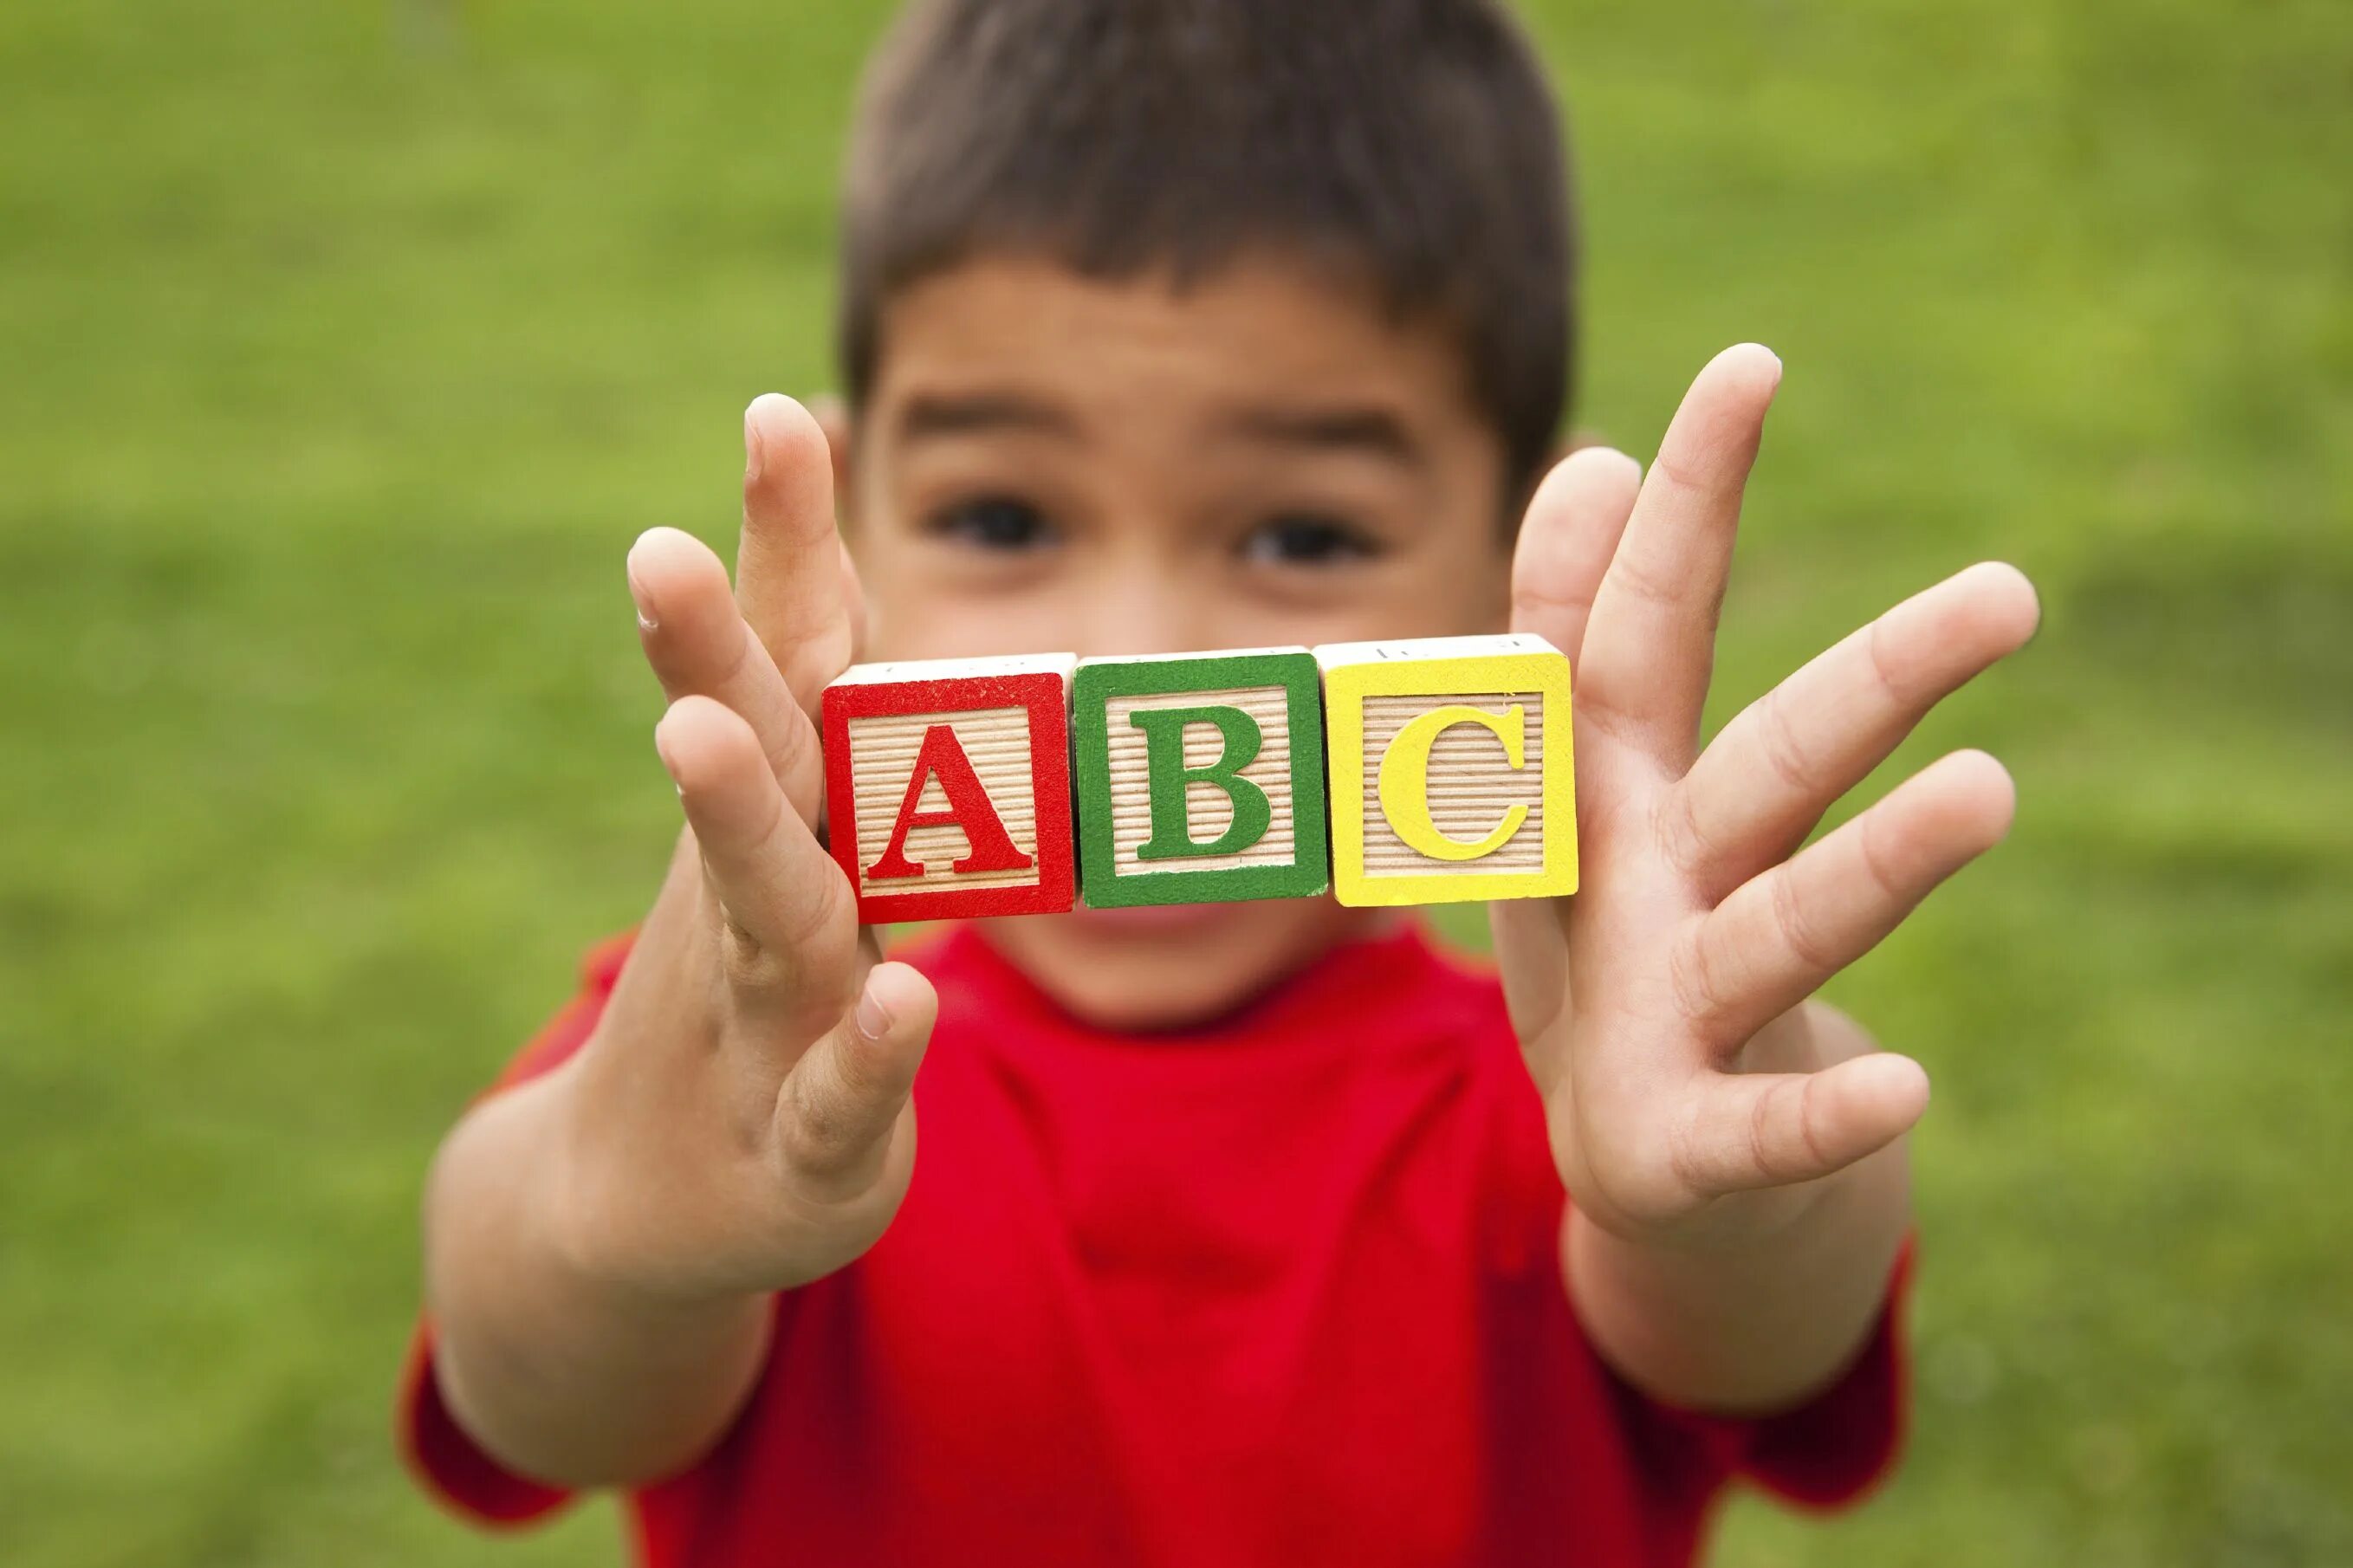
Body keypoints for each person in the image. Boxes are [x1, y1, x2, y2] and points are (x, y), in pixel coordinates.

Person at [399, 2, 2041, 1563]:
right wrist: (617, 1223)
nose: (1139, 650)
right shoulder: (760, 1048)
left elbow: (1763, 1324)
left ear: (1513, 561)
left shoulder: (1545, 1099)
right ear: (852, 508)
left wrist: (1729, 1168)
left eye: (1302, 537)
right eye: (1003, 519)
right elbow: (529, 1365)